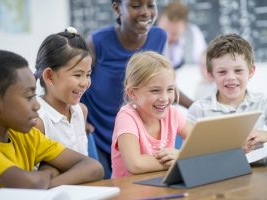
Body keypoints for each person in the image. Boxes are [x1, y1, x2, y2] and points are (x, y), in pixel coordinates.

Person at [81, 0, 192, 178]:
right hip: (99, 126)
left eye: (151, 5)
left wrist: (194, 104)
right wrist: (79, 114)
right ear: (117, 9)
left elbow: (161, 79)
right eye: (136, 6)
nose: (146, 12)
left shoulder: (160, 36)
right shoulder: (97, 41)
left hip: (147, 116)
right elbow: (79, 80)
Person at [0, 50, 104, 191]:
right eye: (28, 96)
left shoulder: (27, 136)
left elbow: (94, 168)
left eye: (35, 95)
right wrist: (49, 171)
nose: (37, 105)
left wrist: (43, 180)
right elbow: (31, 184)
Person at [187, 33, 267, 152]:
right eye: (222, 72)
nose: (231, 77)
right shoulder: (199, 110)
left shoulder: (263, 102)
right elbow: (189, 154)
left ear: (251, 71)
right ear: (210, 75)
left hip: (259, 170)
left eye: (238, 70)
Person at [111, 51, 192, 178]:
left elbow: (201, 145)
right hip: (129, 192)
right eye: (155, 90)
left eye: (170, 89)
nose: (164, 98)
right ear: (132, 93)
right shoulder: (126, 117)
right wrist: (180, 159)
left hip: (161, 187)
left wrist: (181, 156)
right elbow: (135, 164)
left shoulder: (173, 113)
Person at [34, 27, 94, 157]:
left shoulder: (81, 111)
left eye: (88, 74)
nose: (85, 83)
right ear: (49, 76)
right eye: (78, 75)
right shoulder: (38, 121)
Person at [158, 1, 207, 69]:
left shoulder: (193, 33)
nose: (168, 36)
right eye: (164, 30)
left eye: (174, 33)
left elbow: (202, 64)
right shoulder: (147, 34)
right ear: (159, 20)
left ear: (185, 27)